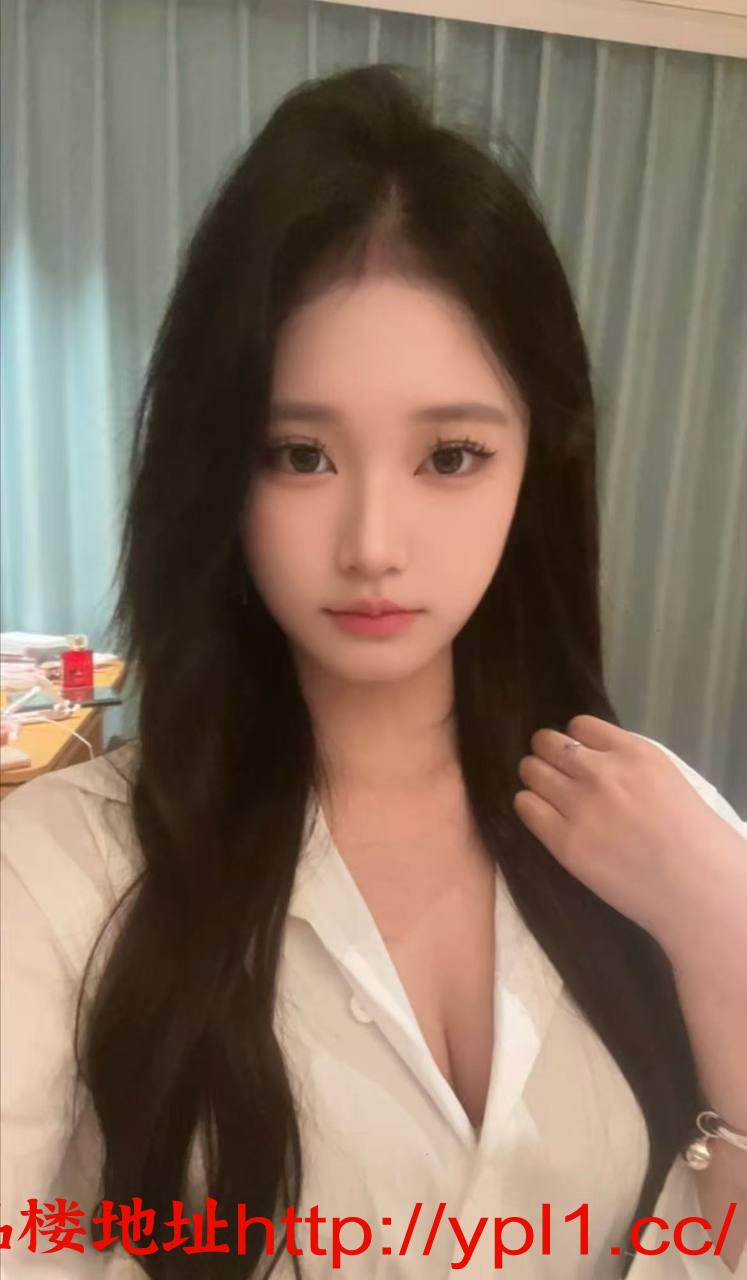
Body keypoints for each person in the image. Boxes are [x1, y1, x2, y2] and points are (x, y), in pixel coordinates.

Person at [1, 63, 745, 1280]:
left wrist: (725, 930)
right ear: (216, 465)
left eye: (451, 455)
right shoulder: (58, 875)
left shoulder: (663, 838)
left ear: (536, 465)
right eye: (300, 453)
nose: (374, 545)